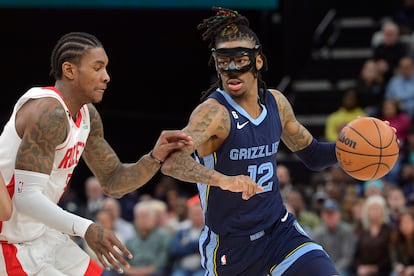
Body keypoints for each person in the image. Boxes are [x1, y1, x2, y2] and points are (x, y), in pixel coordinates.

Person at [160, 7, 341, 275]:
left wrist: (350, 148)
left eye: (240, 59)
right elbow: (172, 163)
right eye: (224, 60)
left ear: (257, 61)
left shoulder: (276, 103)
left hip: (280, 233)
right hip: (232, 248)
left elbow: (312, 155)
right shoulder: (213, 113)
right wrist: (224, 180)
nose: (232, 69)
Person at [0, 31, 196, 275]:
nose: (107, 77)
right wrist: (87, 228)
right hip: (9, 242)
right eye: (97, 68)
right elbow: (25, 198)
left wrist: (154, 157)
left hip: (42, 233)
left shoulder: (87, 115)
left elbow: (114, 181)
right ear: (70, 70)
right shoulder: (48, 112)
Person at [312, 199, 356, 276]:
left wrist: (332, 271)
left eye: (332, 214)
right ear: (322, 216)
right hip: (323, 269)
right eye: (327, 214)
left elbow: (347, 258)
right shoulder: (317, 232)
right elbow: (316, 257)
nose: (330, 217)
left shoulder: (347, 231)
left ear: (339, 215)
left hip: (342, 269)